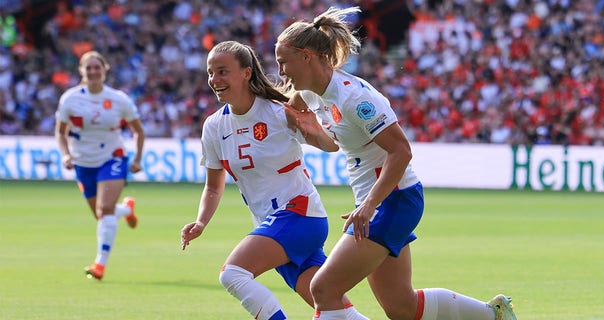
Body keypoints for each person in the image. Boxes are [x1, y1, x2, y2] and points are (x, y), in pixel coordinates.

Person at [275, 7, 518, 320]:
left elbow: (401, 151)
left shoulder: (355, 98)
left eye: (284, 62)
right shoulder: (311, 94)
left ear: (308, 56)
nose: (281, 72)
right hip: (379, 201)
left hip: (393, 200)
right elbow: (294, 109)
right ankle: (492, 314)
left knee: (323, 289)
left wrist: (369, 206)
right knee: (401, 307)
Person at [180, 41, 367, 320]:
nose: (214, 80)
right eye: (210, 73)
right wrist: (201, 221)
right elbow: (212, 185)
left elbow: (331, 145)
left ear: (245, 73)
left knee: (233, 274)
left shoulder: (279, 111)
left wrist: (311, 127)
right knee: (336, 311)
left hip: (299, 215)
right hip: (274, 224)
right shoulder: (214, 126)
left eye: (222, 72)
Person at [55, 50, 145, 281]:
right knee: (101, 214)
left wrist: (137, 159)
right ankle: (126, 210)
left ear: (105, 69)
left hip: (112, 157)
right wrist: (65, 155)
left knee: (104, 210)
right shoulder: (70, 99)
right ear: (82, 71)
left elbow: (138, 131)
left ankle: (99, 264)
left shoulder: (119, 99)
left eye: (97, 67)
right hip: (83, 162)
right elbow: (60, 131)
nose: (93, 71)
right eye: (89, 68)